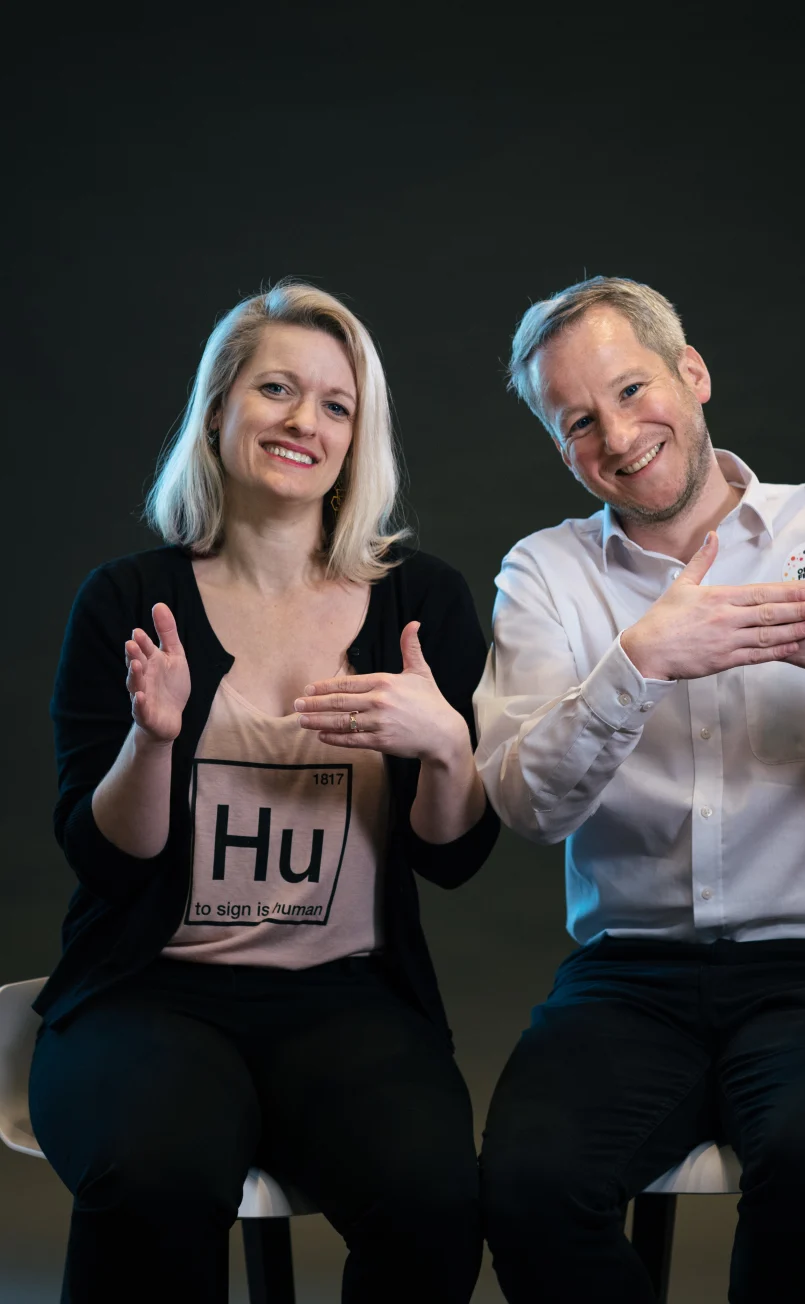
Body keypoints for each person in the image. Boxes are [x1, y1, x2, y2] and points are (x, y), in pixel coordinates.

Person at [474, 276, 805, 1303]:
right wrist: (634, 665)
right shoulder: (544, 574)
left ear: (694, 373)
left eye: (634, 389)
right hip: (631, 979)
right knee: (526, 1187)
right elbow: (523, 805)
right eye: (579, 420)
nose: (621, 435)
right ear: (560, 445)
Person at [29, 280, 499, 1304]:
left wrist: (448, 748)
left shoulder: (423, 603)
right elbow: (108, 858)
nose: (304, 421)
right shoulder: (126, 598)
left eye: (336, 403)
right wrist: (154, 743)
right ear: (219, 411)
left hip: (345, 999)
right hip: (149, 991)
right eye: (276, 388)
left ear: (359, 435)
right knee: (154, 1178)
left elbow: (455, 857)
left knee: (435, 1197)